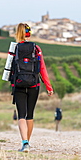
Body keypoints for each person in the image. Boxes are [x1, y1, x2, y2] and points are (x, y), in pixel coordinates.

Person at [11, 23, 54, 153]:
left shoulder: (14, 48)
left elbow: (9, 69)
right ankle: (27, 143)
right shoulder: (36, 48)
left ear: (17, 33)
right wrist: (48, 86)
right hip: (34, 85)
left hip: (18, 85)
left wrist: (12, 83)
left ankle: (24, 143)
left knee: (21, 115)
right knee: (30, 115)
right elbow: (42, 68)